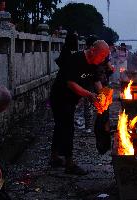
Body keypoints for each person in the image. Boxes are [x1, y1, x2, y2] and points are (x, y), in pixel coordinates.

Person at [49, 40, 110, 175]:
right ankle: (69, 163)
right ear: (92, 50)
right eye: (101, 56)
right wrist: (89, 95)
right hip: (60, 96)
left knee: (60, 126)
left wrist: (104, 97)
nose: (102, 60)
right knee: (68, 127)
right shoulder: (75, 59)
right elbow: (71, 84)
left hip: (72, 99)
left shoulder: (94, 64)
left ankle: (54, 157)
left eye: (104, 57)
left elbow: (96, 82)